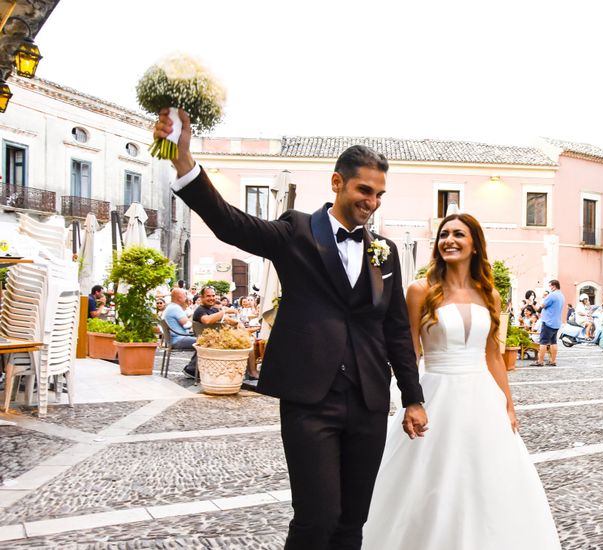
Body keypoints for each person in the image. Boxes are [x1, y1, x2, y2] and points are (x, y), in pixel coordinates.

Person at [155, 111, 426, 550]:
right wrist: (186, 164)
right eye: (364, 190)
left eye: (379, 195)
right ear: (337, 183)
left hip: (370, 401)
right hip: (310, 399)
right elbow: (230, 223)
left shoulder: (385, 251)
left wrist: (412, 397)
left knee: (352, 521)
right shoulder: (297, 230)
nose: (371, 202)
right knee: (316, 518)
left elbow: (396, 330)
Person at [361, 214, 561, 550]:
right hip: (435, 394)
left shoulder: (490, 295)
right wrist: (410, 399)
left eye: (458, 234)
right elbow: (408, 350)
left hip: (483, 399)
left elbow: (493, 355)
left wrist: (508, 405)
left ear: (474, 244)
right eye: (444, 235)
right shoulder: (420, 290)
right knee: (431, 483)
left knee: (488, 481)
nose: (449, 240)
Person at [163, 288, 199, 377]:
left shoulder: (170, 307)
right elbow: (187, 325)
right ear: (179, 298)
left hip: (174, 338)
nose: (186, 298)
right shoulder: (175, 308)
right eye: (185, 295)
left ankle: (191, 368)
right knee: (204, 343)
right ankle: (191, 369)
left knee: (202, 341)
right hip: (178, 339)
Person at [533, 280, 564, 367]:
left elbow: (542, 306)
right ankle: (553, 361)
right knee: (553, 342)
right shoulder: (561, 295)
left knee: (543, 342)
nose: (549, 288)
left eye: (550, 286)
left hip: (548, 322)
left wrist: (535, 306)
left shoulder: (552, 295)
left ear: (554, 286)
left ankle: (540, 361)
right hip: (557, 322)